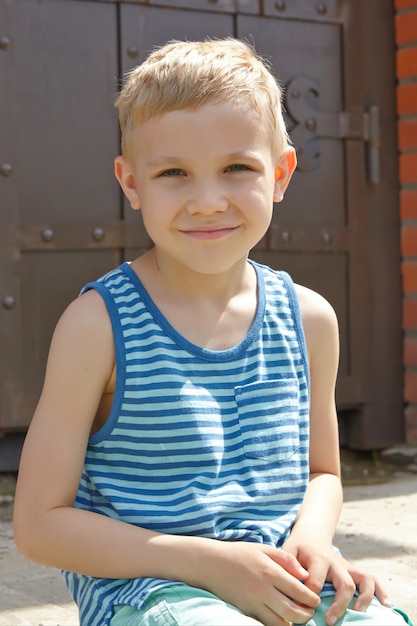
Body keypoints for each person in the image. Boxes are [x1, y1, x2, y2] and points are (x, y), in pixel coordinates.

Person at [13, 38, 413, 626]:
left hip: (281, 580)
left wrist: (313, 541)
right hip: (151, 595)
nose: (207, 201)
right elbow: (39, 524)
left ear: (280, 173)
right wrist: (214, 565)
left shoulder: (309, 320)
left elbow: (322, 474)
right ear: (131, 184)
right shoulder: (97, 325)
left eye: (237, 168)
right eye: (173, 172)